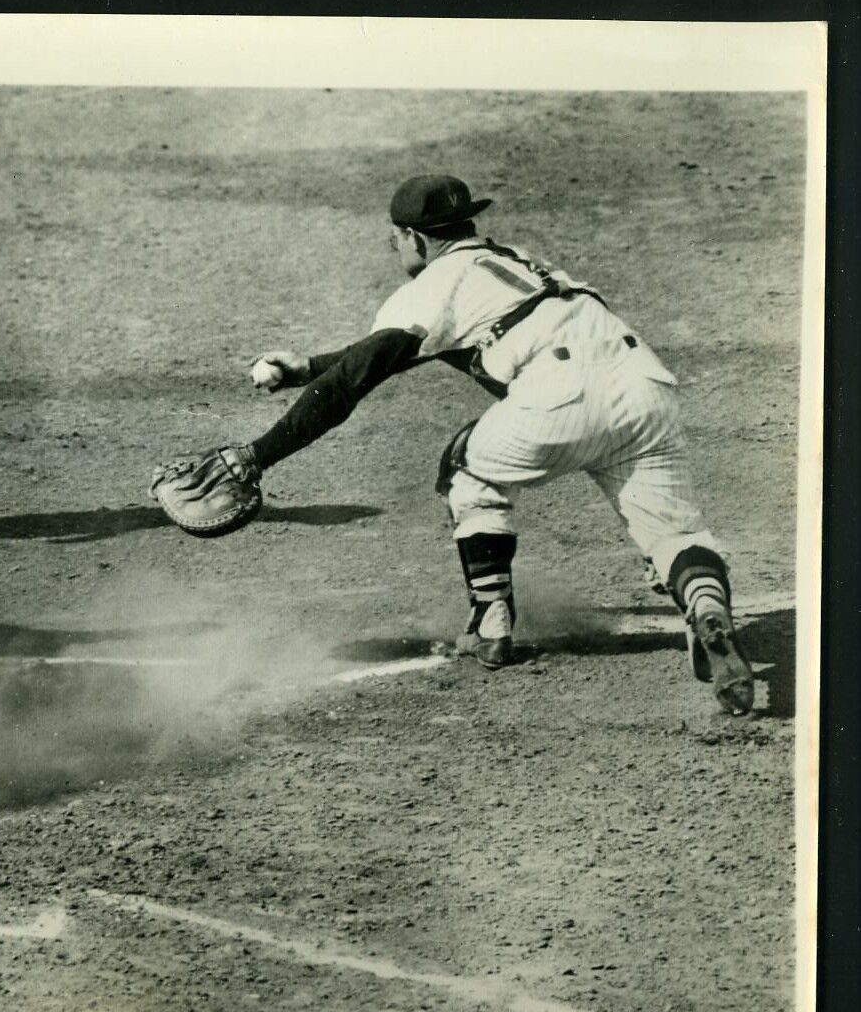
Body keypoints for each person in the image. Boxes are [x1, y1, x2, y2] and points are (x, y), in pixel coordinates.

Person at [219, 173, 754, 714]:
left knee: (466, 470)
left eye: (396, 238)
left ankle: (491, 621)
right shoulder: (514, 260)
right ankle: (706, 605)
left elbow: (354, 380)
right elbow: (390, 353)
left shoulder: (434, 282)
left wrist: (257, 455)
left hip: (560, 394)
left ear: (414, 238)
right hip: (646, 388)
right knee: (674, 535)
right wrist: (308, 366)